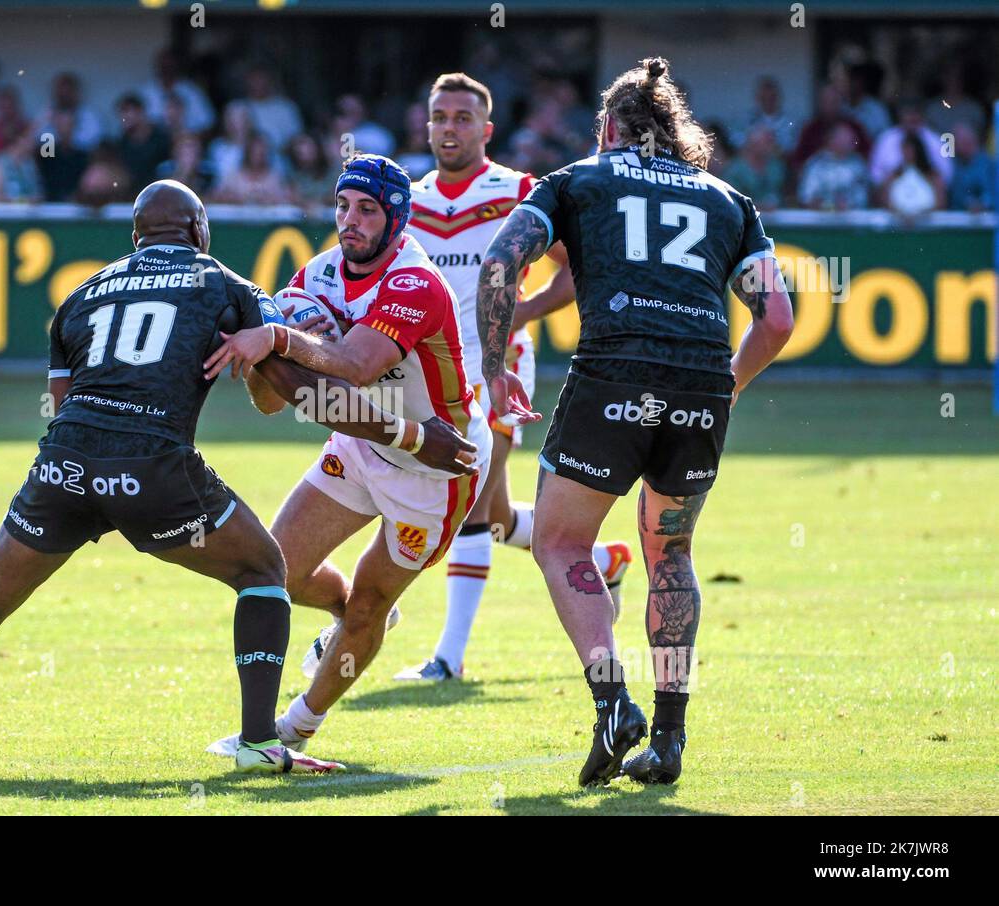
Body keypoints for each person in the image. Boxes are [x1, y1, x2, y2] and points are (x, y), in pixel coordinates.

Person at [0, 179, 476, 777]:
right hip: (154, 472)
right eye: (346, 206)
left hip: (62, 469)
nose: (351, 220)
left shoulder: (81, 295)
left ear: (135, 236)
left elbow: (61, 401)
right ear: (199, 230)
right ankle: (260, 740)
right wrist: (396, 426)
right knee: (262, 573)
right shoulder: (225, 287)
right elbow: (290, 395)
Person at [477, 58, 794, 786]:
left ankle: (613, 702)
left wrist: (496, 369)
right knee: (671, 553)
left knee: (560, 543)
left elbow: (499, 266)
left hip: (613, 375)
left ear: (610, 128)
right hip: (699, 386)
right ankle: (671, 738)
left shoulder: (575, 182)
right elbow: (776, 319)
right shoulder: (730, 201)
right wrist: (731, 383)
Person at [201, 154, 493, 760]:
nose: (350, 221)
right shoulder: (319, 275)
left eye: (367, 210)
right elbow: (270, 405)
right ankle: (352, 625)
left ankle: (293, 729)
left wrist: (277, 337)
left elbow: (359, 364)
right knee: (276, 572)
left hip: (436, 469)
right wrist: (265, 362)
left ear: (397, 218)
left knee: (369, 601)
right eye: (342, 206)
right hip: (365, 442)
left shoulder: (415, 282)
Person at [375, 72, 631, 685]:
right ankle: (601, 558)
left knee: (465, 509)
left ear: (485, 129)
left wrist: (520, 312)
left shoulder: (520, 191)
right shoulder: (408, 203)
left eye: (462, 118)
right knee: (487, 513)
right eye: (440, 117)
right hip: (434, 378)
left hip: (499, 370)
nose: (449, 128)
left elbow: (574, 273)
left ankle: (449, 658)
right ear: (426, 124)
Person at [798, 122, 871, 211]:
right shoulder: (816, 164)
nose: (852, 140)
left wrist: (847, 206)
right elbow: (806, 199)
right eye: (846, 137)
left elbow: (863, 198)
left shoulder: (858, 164)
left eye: (852, 137)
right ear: (832, 140)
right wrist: (831, 207)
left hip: (854, 220)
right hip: (820, 220)